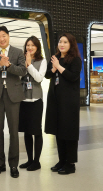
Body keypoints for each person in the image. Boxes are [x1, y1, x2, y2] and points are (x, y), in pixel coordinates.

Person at [0, 26, 26, 178]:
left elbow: (22, 71)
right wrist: (0, 64)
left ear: (8, 36)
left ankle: (13, 165)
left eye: (4, 36)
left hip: (13, 95)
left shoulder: (18, 52)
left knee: (13, 131)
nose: (1, 39)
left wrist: (8, 65)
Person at [45, 33, 81, 175]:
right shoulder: (55, 58)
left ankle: (70, 164)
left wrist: (58, 67)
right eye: (60, 42)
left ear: (71, 44)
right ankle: (62, 160)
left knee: (69, 132)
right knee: (59, 132)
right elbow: (48, 75)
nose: (62, 44)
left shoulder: (75, 59)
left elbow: (73, 77)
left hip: (69, 102)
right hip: (56, 100)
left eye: (65, 42)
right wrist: (54, 67)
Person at [18, 36, 47, 171]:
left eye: (33, 45)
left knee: (36, 130)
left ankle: (37, 161)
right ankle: (29, 160)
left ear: (37, 47)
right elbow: (18, 77)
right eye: (28, 45)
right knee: (26, 131)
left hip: (36, 100)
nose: (30, 48)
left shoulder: (42, 61)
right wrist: (24, 65)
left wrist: (29, 65)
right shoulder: (21, 60)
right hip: (23, 100)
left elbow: (39, 78)